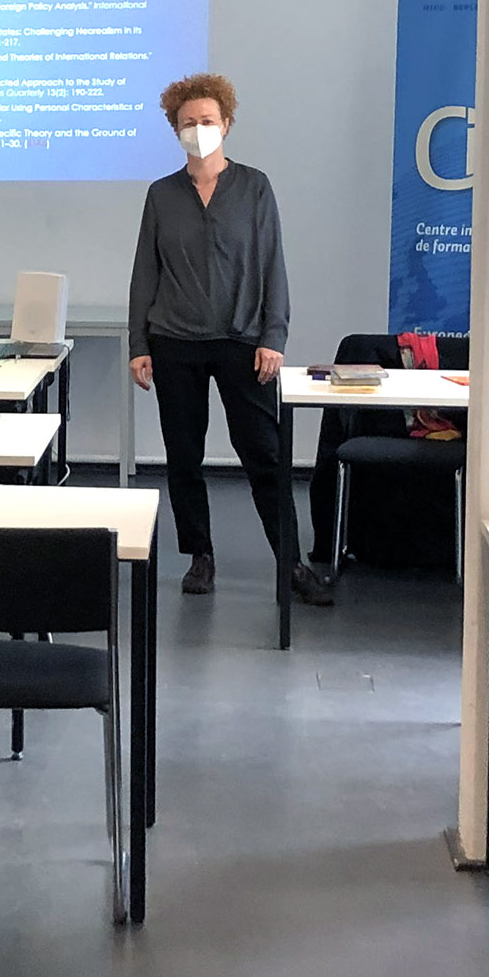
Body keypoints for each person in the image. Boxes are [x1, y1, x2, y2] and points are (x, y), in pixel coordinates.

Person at [127, 74, 318, 603]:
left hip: (243, 340)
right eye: (188, 122)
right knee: (183, 456)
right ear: (175, 130)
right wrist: (138, 344)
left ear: (227, 124)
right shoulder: (161, 195)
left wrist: (274, 335)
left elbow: (273, 264)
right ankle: (200, 556)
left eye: (207, 120)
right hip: (174, 340)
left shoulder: (255, 187)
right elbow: (145, 271)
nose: (198, 129)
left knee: (264, 455)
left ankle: (292, 564)